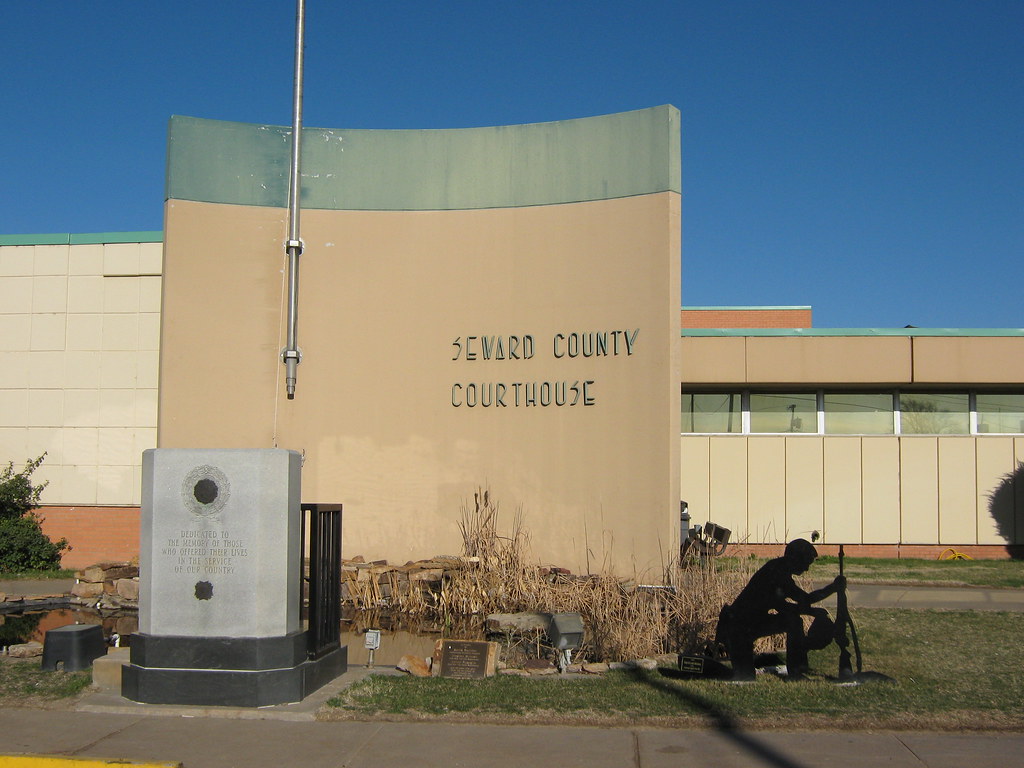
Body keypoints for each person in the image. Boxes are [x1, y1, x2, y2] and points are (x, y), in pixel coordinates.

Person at [716, 538, 845, 679]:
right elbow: (796, 602)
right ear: (795, 558)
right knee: (744, 677)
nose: (806, 568)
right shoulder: (776, 572)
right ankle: (796, 671)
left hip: (750, 623)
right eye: (805, 563)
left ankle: (797, 670)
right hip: (738, 628)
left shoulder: (780, 570)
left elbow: (797, 601)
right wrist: (831, 589)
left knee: (793, 622)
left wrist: (814, 607)